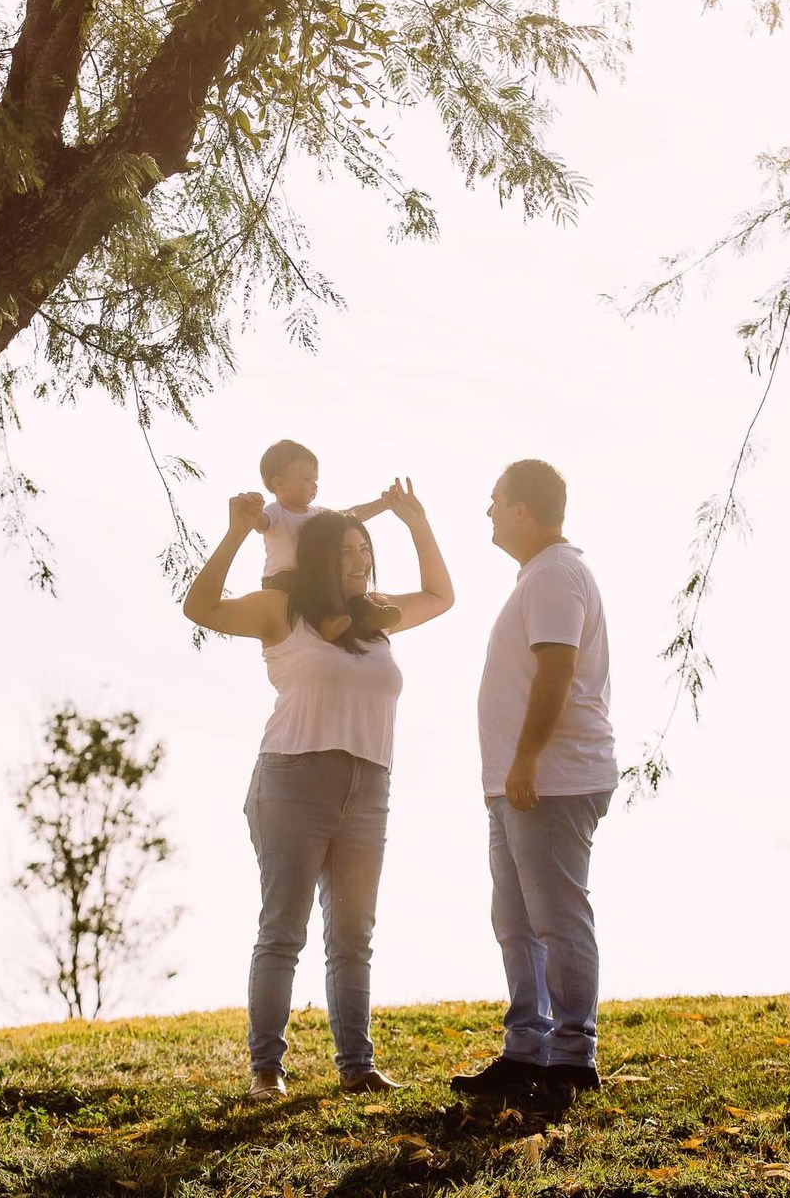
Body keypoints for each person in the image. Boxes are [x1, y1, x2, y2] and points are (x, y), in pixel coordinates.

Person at [184, 478, 453, 1101]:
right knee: (284, 930)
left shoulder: (376, 616)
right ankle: (266, 1069)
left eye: (365, 551)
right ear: (319, 556)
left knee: (353, 935)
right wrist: (234, 533)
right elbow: (201, 607)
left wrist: (415, 522)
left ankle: (357, 1066)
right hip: (293, 780)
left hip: (370, 785)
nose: (359, 561)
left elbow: (441, 596)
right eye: (346, 551)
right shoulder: (281, 609)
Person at [451, 459, 617, 1110]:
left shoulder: (555, 575)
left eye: (495, 500)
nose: (489, 512)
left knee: (556, 918)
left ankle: (572, 1058)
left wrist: (525, 759)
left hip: (550, 780)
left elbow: (556, 672)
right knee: (516, 921)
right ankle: (526, 1050)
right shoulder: (539, 577)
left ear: (522, 508)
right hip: (516, 783)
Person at [254, 438, 399, 643]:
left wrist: (383, 503)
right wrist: (252, 514)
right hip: (281, 580)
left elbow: (352, 515)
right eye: (307, 480)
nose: (314, 486)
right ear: (279, 483)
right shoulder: (276, 512)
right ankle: (327, 624)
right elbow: (262, 523)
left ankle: (367, 613)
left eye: (315, 480)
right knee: (305, 590)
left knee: (339, 586)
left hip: (312, 577)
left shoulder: (317, 514)